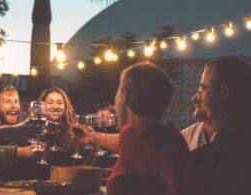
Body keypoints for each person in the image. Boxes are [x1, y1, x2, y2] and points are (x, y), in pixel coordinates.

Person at [75, 63, 190, 195]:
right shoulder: (144, 134)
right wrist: (92, 136)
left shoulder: (150, 139)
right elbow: (124, 143)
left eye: (118, 89)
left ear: (124, 95)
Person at [190, 56, 251, 195]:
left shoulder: (236, 143)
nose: (195, 98)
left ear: (224, 91)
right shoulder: (232, 134)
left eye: (203, 89)